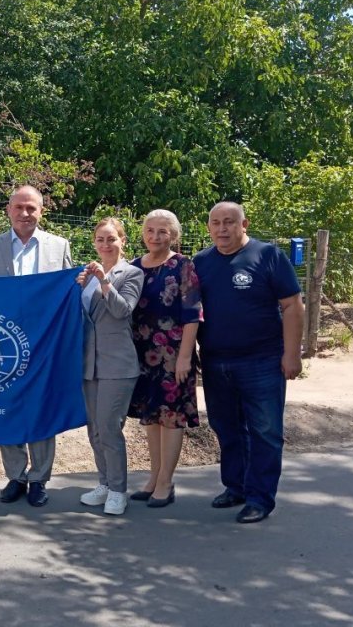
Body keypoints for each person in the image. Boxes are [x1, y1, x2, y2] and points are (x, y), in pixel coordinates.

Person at [194, 201, 304, 524]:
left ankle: (260, 498)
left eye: (230, 222)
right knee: (226, 428)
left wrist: (292, 354)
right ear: (209, 226)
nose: (222, 228)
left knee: (266, 431)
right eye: (216, 222)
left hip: (263, 361)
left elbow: (293, 307)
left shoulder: (268, 256)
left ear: (245, 224)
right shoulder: (201, 262)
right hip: (215, 362)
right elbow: (189, 312)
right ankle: (236, 486)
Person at [0, 185, 74, 508]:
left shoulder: (59, 247)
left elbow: (70, 297)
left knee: (42, 411)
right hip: (2, 349)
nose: (25, 213)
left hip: (44, 345)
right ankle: (16, 474)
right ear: (8, 210)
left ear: (41, 211)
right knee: (8, 409)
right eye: (19, 207)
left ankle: (39, 478)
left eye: (31, 208)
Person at [126, 209, 202, 509]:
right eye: (150, 230)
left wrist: (185, 357)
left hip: (173, 354)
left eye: (163, 231)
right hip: (142, 353)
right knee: (151, 416)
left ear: (174, 235)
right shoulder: (133, 267)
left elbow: (192, 313)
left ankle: (166, 482)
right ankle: (154, 476)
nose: (155, 236)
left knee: (171, 417)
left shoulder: (183, 266)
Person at [75, 217, 144, 516]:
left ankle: (118, 490)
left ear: (122, 241)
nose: (106, 244)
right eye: (101, 239)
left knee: (109, 428)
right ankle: (104, 482)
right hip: (90, 363)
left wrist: (104, 280)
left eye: (112, 239)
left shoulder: (131, 273)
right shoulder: (86, 275)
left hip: (118, 364)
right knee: (94, 431)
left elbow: (121, 311)